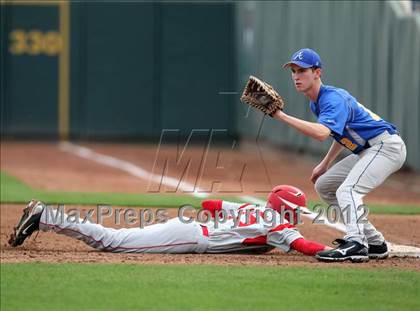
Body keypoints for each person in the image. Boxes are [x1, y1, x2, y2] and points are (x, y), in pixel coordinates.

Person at [272, 48, 406, 262]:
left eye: (303, 70)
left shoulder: (332, 99)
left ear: (317, 72)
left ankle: (357, 242)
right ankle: (375, 242)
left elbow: (321, 133)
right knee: (324, 185)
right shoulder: (316, 101)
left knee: (348, 190)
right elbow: (338, 133)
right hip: (369, 149)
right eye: (294, 71)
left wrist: (280, 116)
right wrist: (325, 164)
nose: (296, 76)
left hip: (386, 147)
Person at [9, 185, 330, 257]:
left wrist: (234, 217)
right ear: (287, 209)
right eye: (296, 212)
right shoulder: (279, 227)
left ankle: (48, 216)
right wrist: (330, 252)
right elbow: (302, 245)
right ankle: (47, 216)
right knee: (112, 241)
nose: (296, 218)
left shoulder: (255, 210)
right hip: (191, 238)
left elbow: (210, 203)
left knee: (115, 239)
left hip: (189, 226)